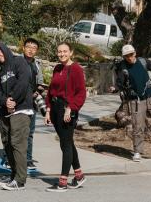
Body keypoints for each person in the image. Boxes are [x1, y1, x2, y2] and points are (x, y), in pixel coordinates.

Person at [0, 42, 32, 191]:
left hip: (21, 109)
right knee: (7, 142)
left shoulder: (19, 61)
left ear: (5, 49)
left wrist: (12, 99)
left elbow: (24, 81)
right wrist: (4, 101)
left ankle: (20, 180)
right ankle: (13, 174)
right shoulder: (1, 71)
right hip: (6, 111)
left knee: (17, 144)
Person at [44, 42, 87, 192]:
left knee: (66, 145)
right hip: (55, 109)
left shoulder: (75, 69)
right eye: (59, 51)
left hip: (67, 110)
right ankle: (79, 175)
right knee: (67, 142)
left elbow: (81, 93)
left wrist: (71, 108)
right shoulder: (57, 68)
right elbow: (51, 90)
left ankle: (63, 182)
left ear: (71, 52)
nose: (62, 54)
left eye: (65, 51)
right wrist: (48, 109)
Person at [21, 37, 44, 174]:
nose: (30, 50)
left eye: (34, 48)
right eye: (28, 46)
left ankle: (28, 159)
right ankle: (8, 158)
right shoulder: (17, 62)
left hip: (31, 104)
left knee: (29, 133)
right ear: (23, 48)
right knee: (16, 133)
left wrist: (37, 92)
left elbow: (40, 83)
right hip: (18, 103)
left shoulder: (37, 65)